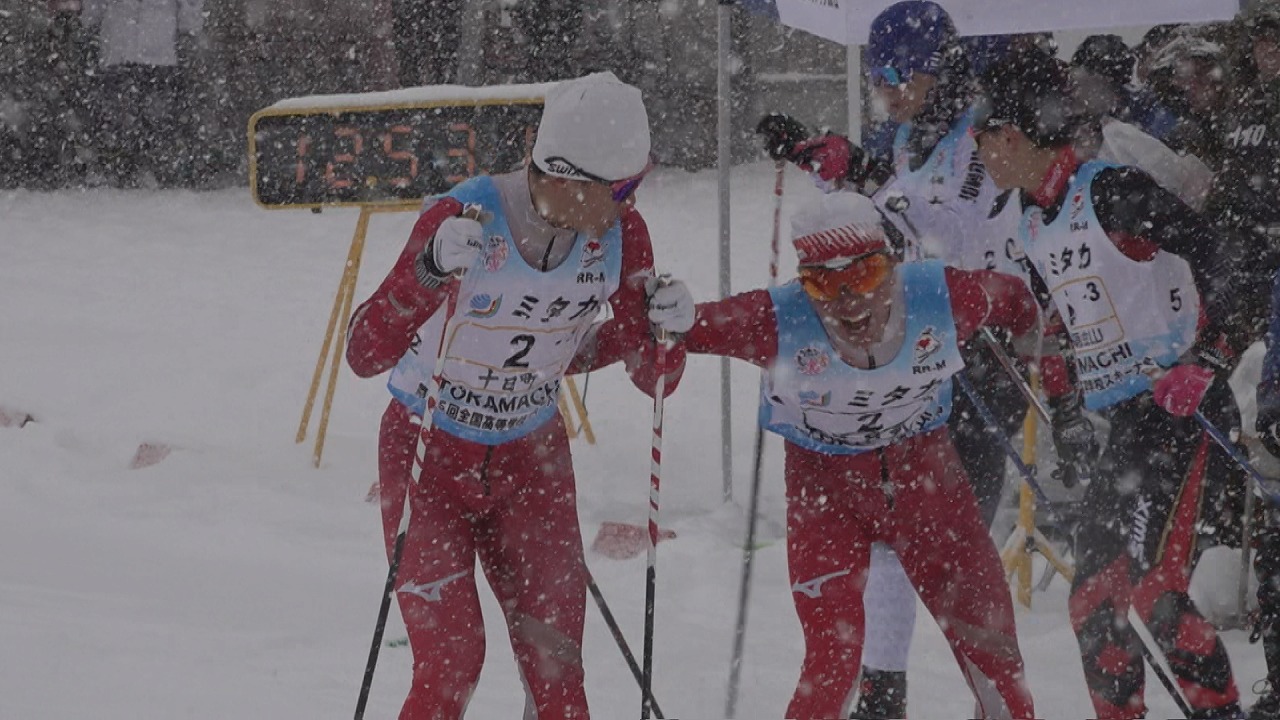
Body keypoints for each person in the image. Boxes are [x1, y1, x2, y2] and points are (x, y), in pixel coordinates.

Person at [344, 72, 689, 720]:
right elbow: (364, 351)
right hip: (428, 455)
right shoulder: (465, 216)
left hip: (532, 462)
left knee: (558, 674)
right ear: (565, 175)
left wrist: (666, 332)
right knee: (451, 665)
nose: (631, 203)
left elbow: (654, 378)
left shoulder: (624, 235)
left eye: (637, 184)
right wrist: (427, 272)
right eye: (622, 189)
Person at [758, 4, 1032, 713]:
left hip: (982, 361)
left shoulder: (980, 139)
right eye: (876, 75)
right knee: (887, 541)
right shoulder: (908, 137)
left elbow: (951, 246)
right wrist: (825, 162)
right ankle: (883, 698)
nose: (884, 88)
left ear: (938, 71)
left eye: (895, 73)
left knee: (950, 552)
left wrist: (867, 175)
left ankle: (992, 696)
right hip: (919, 358)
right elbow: (881, 223)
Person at [678, 190, 1039, 720]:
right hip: (826, 494)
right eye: (823, 283)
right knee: (832, 664)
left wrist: (1049, 377)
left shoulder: (940, 295)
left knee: (997, 660)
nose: (848, 299)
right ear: (803, 284)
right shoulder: (776, 317)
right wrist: (666, 310)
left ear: (892, 267)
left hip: (927, 483)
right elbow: (675, 329)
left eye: (865, 274)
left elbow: (1020, 302)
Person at [973, 47, 1246, 719]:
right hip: (1127, 423)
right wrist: (1066, 413)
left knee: (1144, 589)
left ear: (1012, 134)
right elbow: (1059, 325)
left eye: (982, 137)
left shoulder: (1113, 192)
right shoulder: (1030, 219)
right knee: (1101, 597)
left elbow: (1234, 265)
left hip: (1181, 410)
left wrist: (1206, 362)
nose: (977, 153)